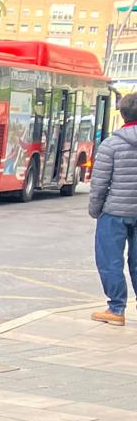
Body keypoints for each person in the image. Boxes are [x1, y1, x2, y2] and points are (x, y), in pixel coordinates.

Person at [89, 92, 137, 327]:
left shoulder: (111, 144)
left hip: (115, 212)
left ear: (122, 114)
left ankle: (116, 309)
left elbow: (99, 184)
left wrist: (96, 210)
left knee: (110, 261)